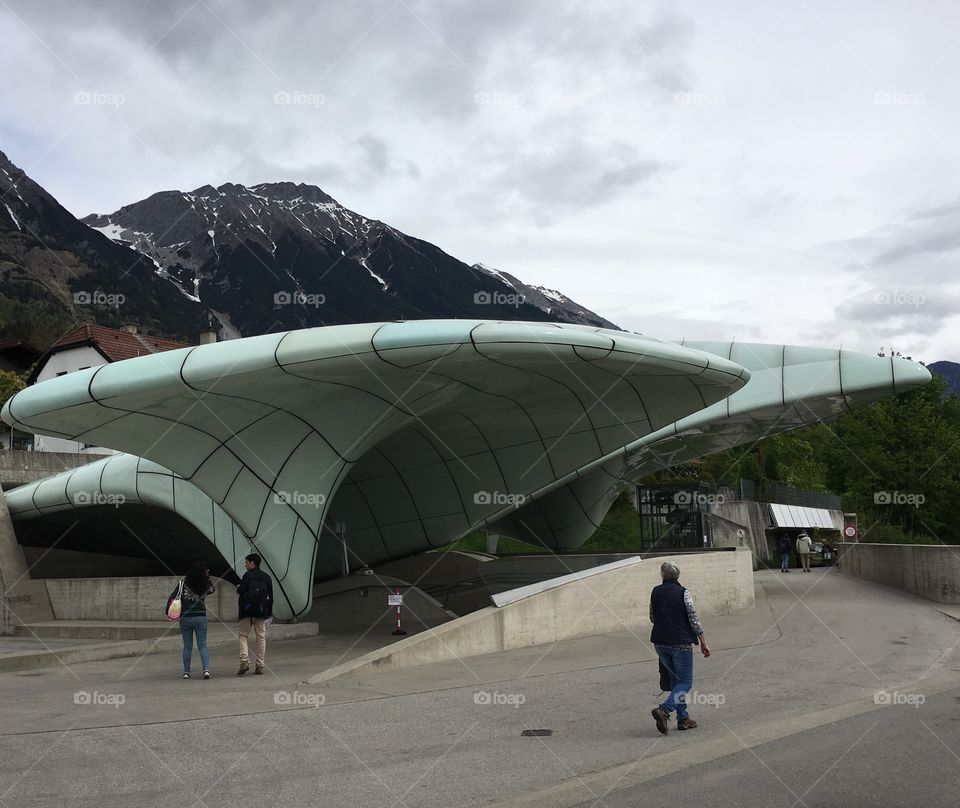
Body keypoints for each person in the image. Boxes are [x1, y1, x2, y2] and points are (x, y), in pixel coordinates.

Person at [649, 561, 711, 734]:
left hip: (660, 643)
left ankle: (683, 718)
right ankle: (664, 710)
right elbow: (693, 619)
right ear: (678, 576)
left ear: (662, 575)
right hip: (680, 642)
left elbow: (652, 617)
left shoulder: (655, 592)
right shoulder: (683, 593)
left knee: (676, 681)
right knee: (685, 682)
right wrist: (703, 641)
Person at [176, 561, 215, 680]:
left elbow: (174, 596)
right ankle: (206, 670)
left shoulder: (182, 584)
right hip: (200, 617)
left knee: (187, 646)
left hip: (185, 617)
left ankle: (186, 672)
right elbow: (213, 589)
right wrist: (206, 576)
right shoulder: (204, 584)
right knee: (202, 645)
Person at [237, 553, 273, 675]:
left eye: (246, 562)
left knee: (243, 635)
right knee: (261, 638)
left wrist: (238, 587)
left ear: (252, 563)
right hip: (261, 611)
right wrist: (269, 612)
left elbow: (241, 591)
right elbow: (271, 596)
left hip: (246, 611)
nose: (245, 564)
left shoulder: (247, 576)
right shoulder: (267, 577)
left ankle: (244, 661)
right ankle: (260, 665)